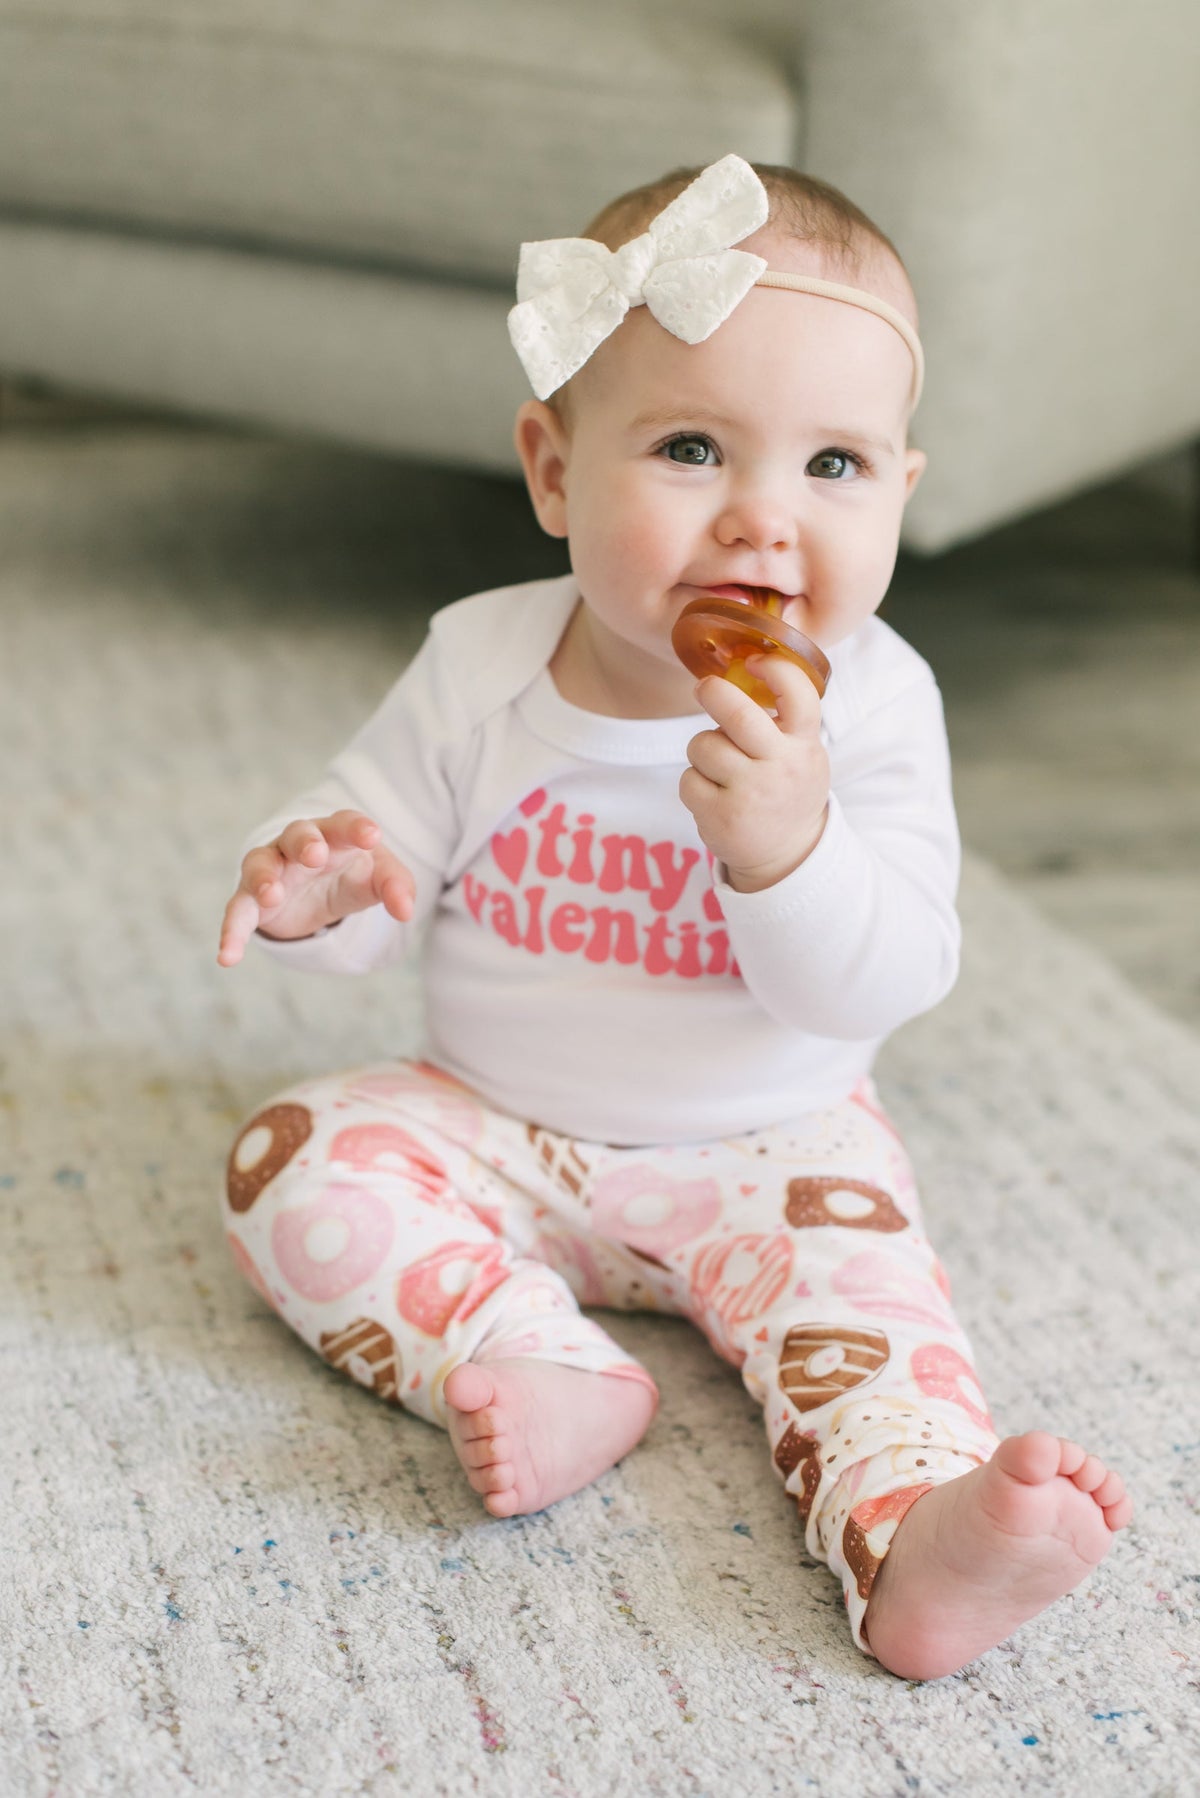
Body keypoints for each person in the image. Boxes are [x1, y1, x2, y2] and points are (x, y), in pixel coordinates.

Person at [216, 155, 1131, 1680]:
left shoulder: (881, 705)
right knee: (290, 1162)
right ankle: (532, 1357)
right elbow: (379, 853)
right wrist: (320, 883)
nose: (765, 524)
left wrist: (794, 846)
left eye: (832, 467)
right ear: (556, 469)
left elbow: (888, 973)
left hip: (776, 1145)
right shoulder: (482, 661)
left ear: (902, 492)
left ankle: (914, 1536)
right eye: (695, 448)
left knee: (873, 1321)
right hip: (492, 1120)